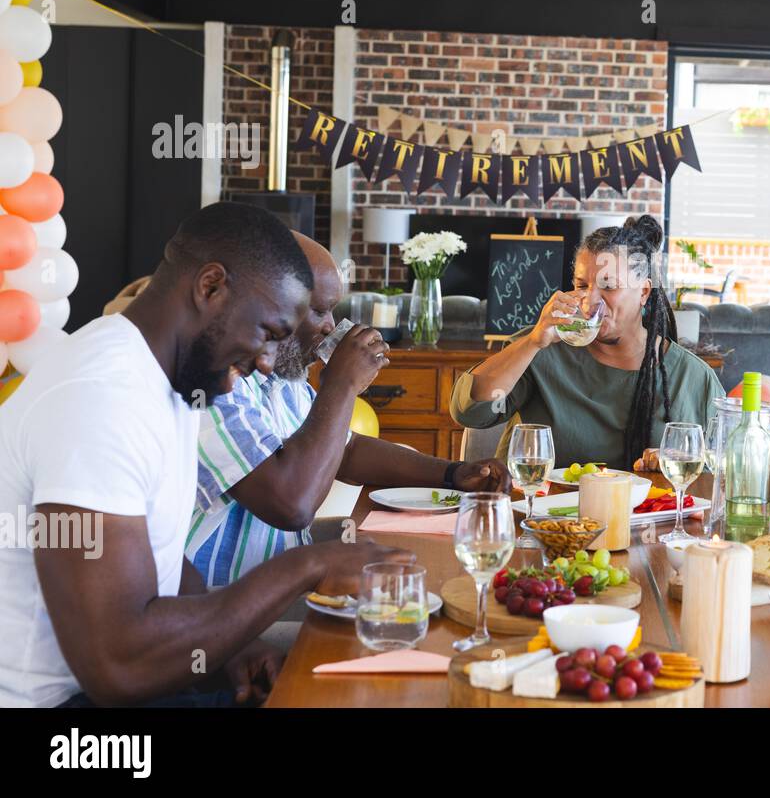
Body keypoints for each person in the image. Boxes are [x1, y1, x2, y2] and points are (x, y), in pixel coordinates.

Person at [0, 203, 412, 707]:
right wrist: (310, 565)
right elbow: (118, 667)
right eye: (267, 333)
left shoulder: (169, 379)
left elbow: (163, 556)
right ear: (210, 287)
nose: (266, 362)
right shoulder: (101, 396)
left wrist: (233, 650)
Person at [187, 231, 509, 587]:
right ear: (270, 302)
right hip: (221, 602)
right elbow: (291, 505)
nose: (329, 326)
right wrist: (341, 384)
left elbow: (348, 448)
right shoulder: (210, 385)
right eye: (320, 310)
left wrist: (453, 473)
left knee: (423, 577)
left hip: (281, 580)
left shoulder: (284, 378)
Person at [451, 215, 724, 470]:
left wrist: (684, 461)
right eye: (582, 285)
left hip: (645, 520)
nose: (590, 299)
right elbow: (470, 412)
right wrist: (533, 342)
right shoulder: (542, 350)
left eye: (609, 286)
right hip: (540, 517)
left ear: (643, 292)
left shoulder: (692, 377)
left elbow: (726, 467)